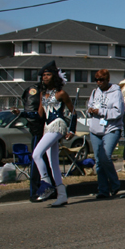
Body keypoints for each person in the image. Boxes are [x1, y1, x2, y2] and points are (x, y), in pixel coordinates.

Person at [32, 61, 76, 207]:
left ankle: (46, 184)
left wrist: (71, 130)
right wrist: (21, 113)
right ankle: (62, 195)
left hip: (58, 125)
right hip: (48, 126)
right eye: (43, 75)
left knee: (36, 154)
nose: (45, 77)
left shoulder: (61, 93)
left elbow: (73, 112)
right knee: (53, 164)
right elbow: (39, 114)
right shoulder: (42, 95)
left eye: (48, 74)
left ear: (55, 76)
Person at [86, 69, 124, 199]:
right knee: (99, 161)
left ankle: (114, 183)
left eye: (101, 80)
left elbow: (118, 112)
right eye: (96, 80)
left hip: (111, 128)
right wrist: (90, 110)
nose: (98, 82)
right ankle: (103, 190)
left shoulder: (116, 92)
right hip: (95, 129)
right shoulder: (94, 92)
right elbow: (90, 106)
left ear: (107, 80)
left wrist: (100, 111)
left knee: (105, 156)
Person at [12, 82, 53, 201]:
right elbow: (36, 115)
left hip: (52, 130)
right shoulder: (38, 93)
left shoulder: (57, 94)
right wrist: (22, 113)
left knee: (47, 161)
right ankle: (37, 191)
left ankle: (50, 188)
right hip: (40, 131)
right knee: (38, 158)